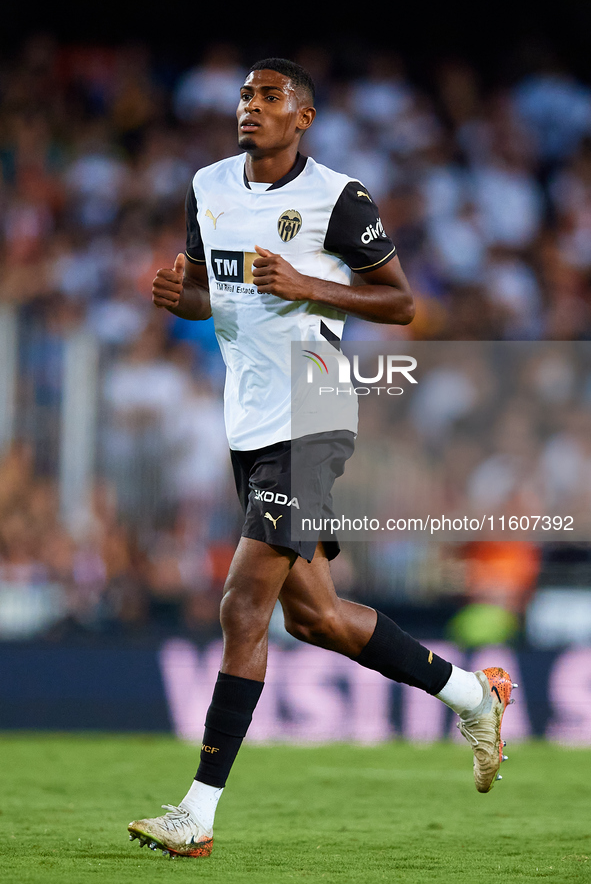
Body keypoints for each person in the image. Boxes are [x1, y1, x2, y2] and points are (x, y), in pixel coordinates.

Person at [128, 58, 516, 859]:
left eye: (270, 97)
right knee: (315, 618)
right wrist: (183, 298)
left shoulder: (339, 199)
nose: (251, 107)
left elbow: (402, 301)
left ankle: (197, 813)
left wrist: (310, 284)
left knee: (243, 606)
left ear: (302, 118)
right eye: (244, 94)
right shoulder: (207, 186)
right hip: (249, 424)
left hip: (315, 412)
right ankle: (472, 693)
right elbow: (210, 291)